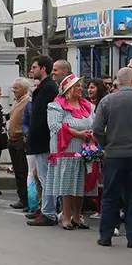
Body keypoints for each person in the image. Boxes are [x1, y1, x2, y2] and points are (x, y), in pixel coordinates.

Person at [92, 67, 132, 247]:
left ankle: (105, 235)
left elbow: (97, 128)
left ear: (118, 82)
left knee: (110, 194)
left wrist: (107, 144)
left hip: (114, 155)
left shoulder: (107, 102)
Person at [46, 75, 96, 229]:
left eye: (81, 86)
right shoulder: (56, 106)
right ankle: (66, 217)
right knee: (67, 185)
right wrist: (77, 133)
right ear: (68, 89)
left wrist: (91, 133)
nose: (81, 89)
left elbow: (95, 122)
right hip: (66, 151)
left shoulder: (87, 106)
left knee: (80, 184)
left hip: (84, 151)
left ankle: (77, 216)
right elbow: (55, 126)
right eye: (77, 86)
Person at [27, 57, 63, 226]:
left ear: (43, 69)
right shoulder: (43, 87)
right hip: (40, 139)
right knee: (42, 176)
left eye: (35, 67)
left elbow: (45, 117)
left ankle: (49, 212)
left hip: (44, 140)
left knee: (46, 177)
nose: (32, 70)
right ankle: (45, 209)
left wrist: (37, 133)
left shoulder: (49, 88)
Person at [5, 77, 32, 210]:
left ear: (24, 89)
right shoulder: (16, 101)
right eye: (13, 88)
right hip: (12, 139)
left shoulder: (28, 102)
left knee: (23, 171)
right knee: (17, 171)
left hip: (21, 140)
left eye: (16, 88)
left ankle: (27, 199)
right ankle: (21, 197)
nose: (14, 90)